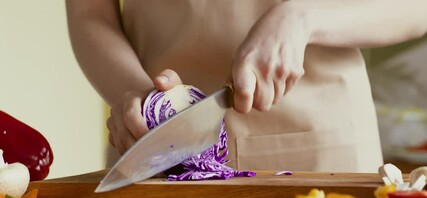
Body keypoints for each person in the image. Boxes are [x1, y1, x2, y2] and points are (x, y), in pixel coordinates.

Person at [66, 0, 427, 172]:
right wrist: (133, 94)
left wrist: (303, 18)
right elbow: (90, 13)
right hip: (157, 143)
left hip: (326, 147)